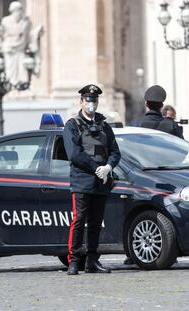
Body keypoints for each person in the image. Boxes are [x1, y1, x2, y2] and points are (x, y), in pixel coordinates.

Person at [63, 84, 121, 275]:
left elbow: (115, 151)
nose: (91, 103)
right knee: (79, 221)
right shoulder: (72, 125)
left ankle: (92, 260)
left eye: (94, 100)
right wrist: (96, 168)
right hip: (82, 181)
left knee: (96, 223)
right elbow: (75, 154)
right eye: (88, 100)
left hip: (101, 181)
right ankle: (73, 261)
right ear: (81, 102)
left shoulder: (104, 126)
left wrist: (108, 167)